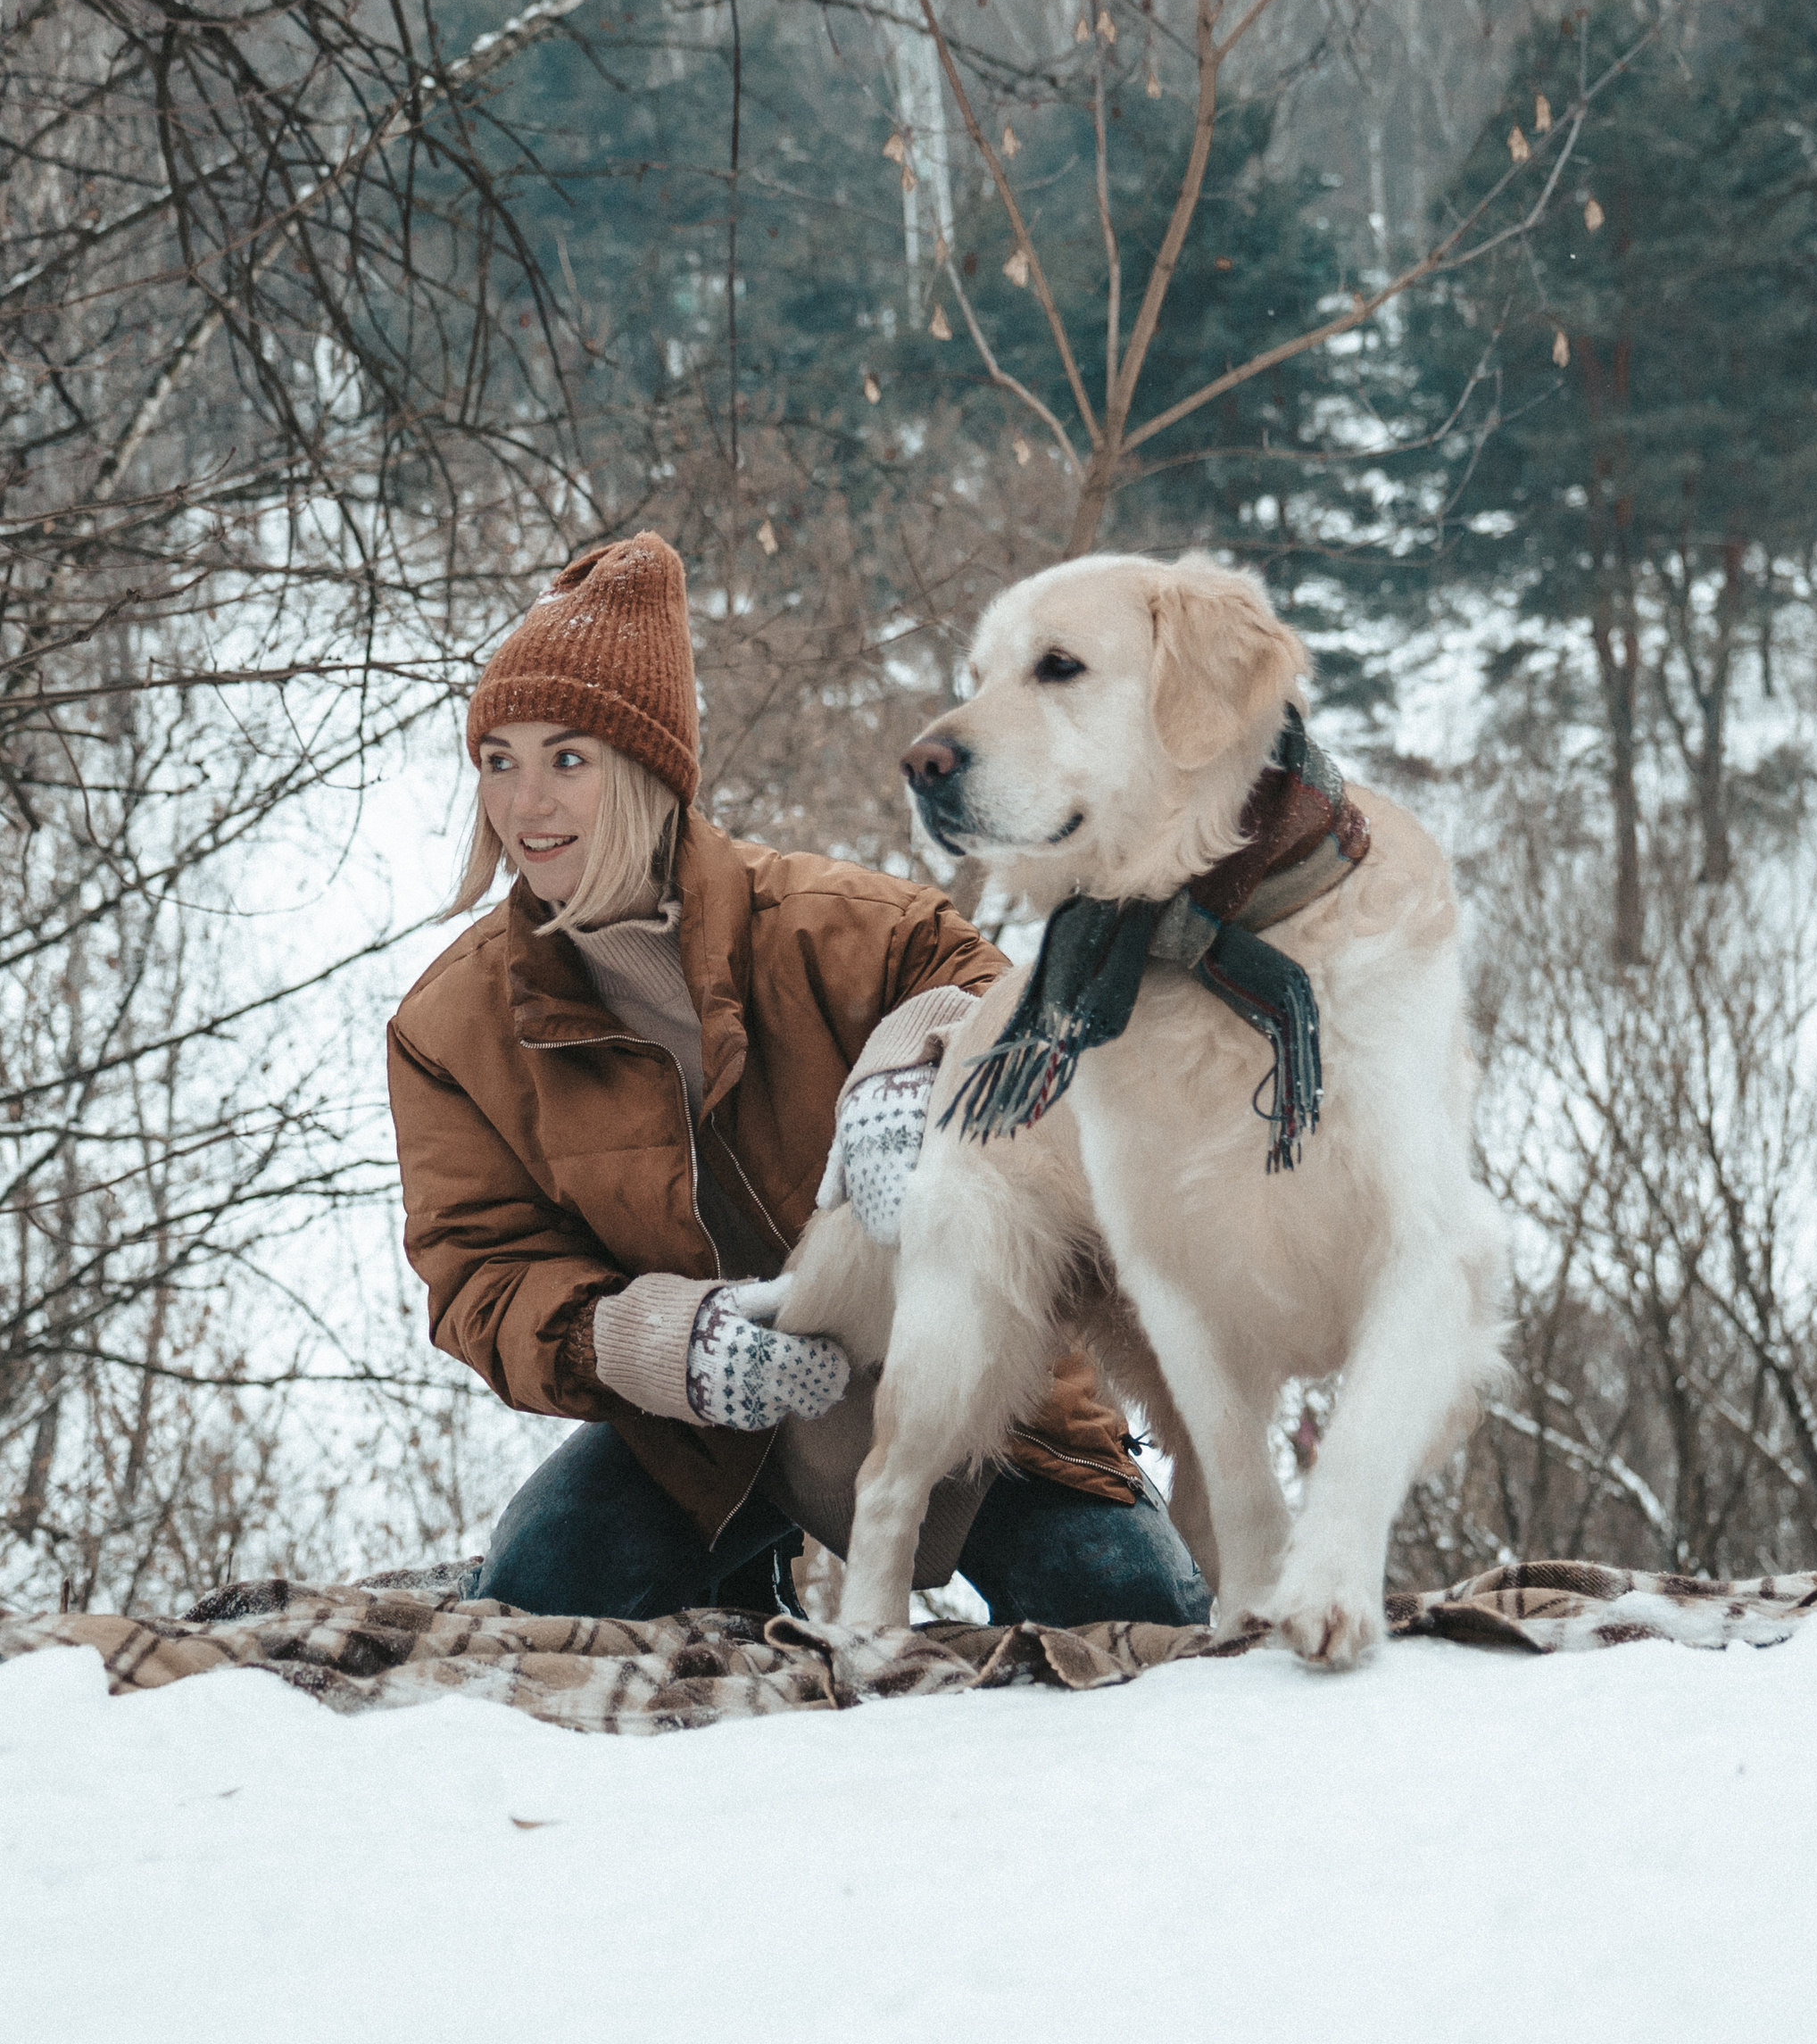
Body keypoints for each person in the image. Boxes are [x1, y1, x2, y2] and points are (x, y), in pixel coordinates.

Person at [386, 532, 1210, 1628]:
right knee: (540, 1598)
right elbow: (480, 1271)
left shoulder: (839, 924)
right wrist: (650, 1343)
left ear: (646, 769)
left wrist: (916, 1077)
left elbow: (998, 1001)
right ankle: (734, 1581)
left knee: (1133, 1611)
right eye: (499, 759)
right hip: (696, 1428)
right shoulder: (449, 1028)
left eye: (568, 758)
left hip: (969, 1387)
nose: (526, 802)